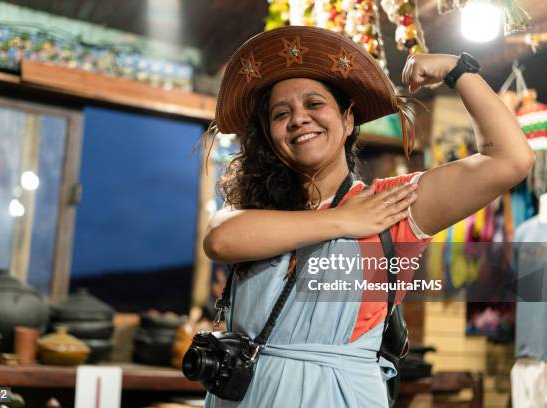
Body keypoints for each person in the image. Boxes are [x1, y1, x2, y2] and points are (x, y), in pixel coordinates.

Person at [201, 26, 535, 407]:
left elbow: (510, 159)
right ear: (270, 135)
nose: (299, 120)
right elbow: (219, 238)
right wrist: (345, 221)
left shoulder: (391, 206)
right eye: (282, 114)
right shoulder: (260, 212)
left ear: (347, 121)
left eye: (314, 104)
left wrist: (458, 70)